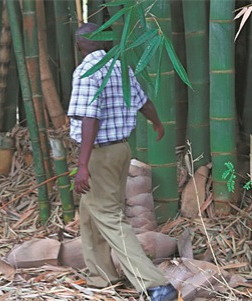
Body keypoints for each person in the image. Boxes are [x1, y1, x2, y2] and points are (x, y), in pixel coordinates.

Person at [67, 23, 178, 301]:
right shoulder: (119, 67)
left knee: (108, 216)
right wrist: (157, 122)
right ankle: (101, 276)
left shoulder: (86, 71)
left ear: (79, 46)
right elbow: (142, 101)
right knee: (91, 214)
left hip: (99, 153)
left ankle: (155, 285)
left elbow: (90, 117)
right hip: (121, 151)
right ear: (103, 43)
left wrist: (82, 165)